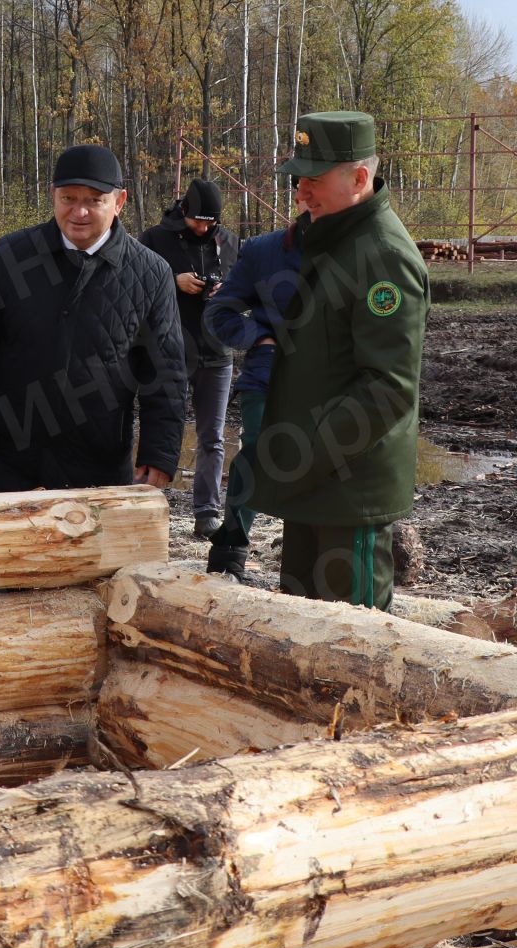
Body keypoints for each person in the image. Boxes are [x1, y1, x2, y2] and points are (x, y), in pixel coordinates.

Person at [250, 111, 428, 609]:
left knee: (354, 652)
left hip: (348, 493)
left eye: (313, 180)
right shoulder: (337, 237)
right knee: (305, 638)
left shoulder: (383, 256)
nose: (301, 193)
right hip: (318, 486)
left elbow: (388, 388)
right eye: (298, 180)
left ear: (359, 177)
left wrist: (305, 456)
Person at [0, 143, 185, 494]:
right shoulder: (12, 256)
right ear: (53, 196)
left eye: (94, 200)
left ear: (119, 202)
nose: (80, 212)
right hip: (11, 455)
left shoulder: (150, 273)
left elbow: (164, 372)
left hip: (97, 460)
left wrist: (159, 453)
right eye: (68, 198)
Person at [200, 185, 309, 582]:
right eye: (302, 193)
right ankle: (229, 551)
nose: (309, 200)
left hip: (331, 382)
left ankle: (307, 564)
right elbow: (220, 311)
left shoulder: (356, 252)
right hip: (267, 376)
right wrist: (257, 337)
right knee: (257, 455)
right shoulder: (263, 251)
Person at [139, 178, 239, 535]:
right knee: (163, 430)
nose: (203, 227)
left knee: (212, 436)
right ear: (184, 211)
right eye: (198, 220)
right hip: (170, 351)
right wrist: (172, 280)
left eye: (210, 222)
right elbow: (133, 287)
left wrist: (225, 290)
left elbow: (243, 290)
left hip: (217, 351)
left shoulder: (229, 242)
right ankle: (143, 506)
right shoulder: (154, 239)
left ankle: (206, 512)